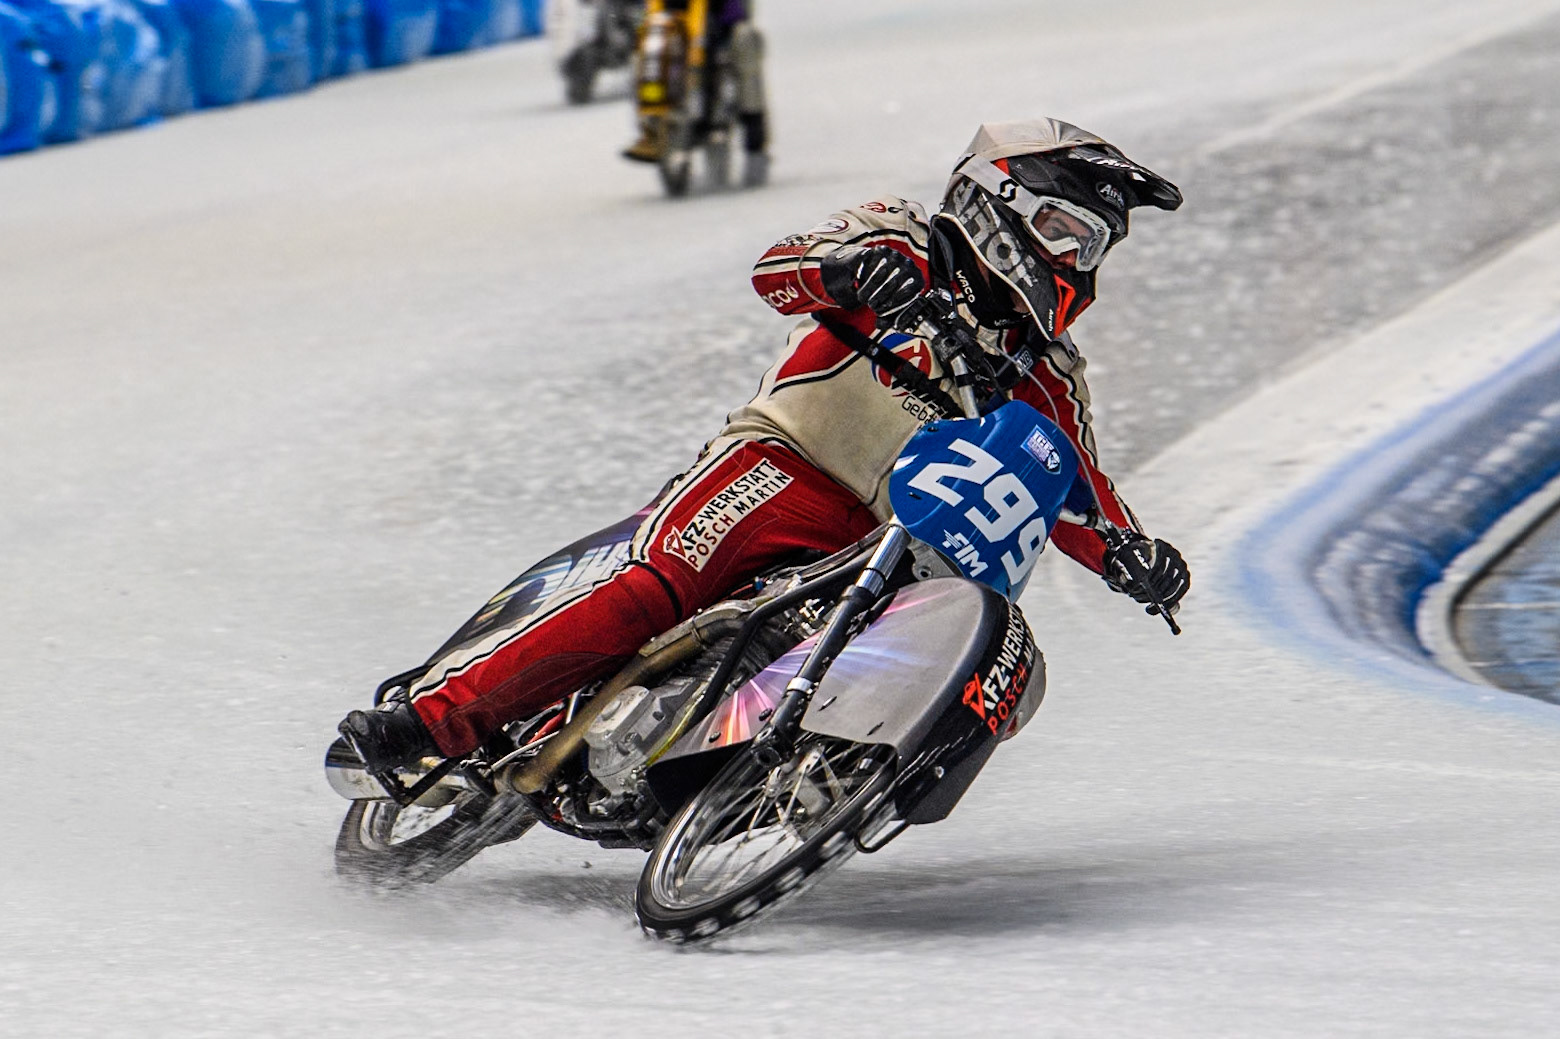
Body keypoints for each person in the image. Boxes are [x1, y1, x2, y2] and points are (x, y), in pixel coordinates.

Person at [340, 118, 1191, 768]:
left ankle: (768, 785)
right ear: (998, 201)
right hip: (781, 465)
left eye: (1093, 245)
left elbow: (1069, 477)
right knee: (653, 589)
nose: (1078, 262)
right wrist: (848, 276)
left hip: (888, 541)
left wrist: (1130, 554)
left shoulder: (1047, 364)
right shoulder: (906, 237)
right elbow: (779, 267)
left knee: (897, 658)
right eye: (1064, 232)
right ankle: (427, 721)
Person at [622, 0, 769, 185]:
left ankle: (755, 146)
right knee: (641, 56)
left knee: (745, 39)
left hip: (717, 10)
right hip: (667, 12)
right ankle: (651, 127)